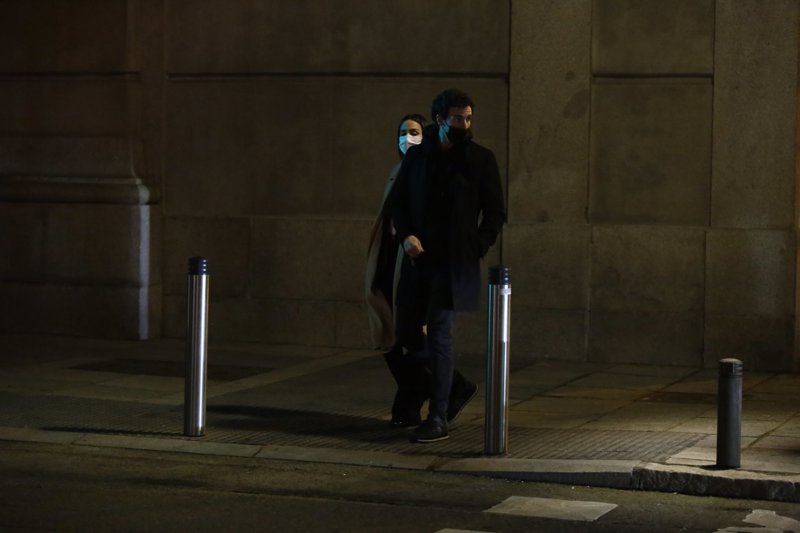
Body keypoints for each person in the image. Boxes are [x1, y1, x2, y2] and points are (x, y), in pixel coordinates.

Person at [389, 88, 506, 443]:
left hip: (455, 262)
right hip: (419, 259)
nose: (464, 125)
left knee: (440, 333)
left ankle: (437, 416)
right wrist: (406, 236)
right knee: (405, 333)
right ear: (440, 120)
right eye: (457, 118)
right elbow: (398, 203)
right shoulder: (418, 157)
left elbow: (495, 211)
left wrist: (477, 245)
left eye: (468, 118)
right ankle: (455, 385)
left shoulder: (480, 158)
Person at [365, 113, 429, 427]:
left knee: (410, 334)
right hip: (389, 256)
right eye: (403, 132)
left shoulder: (427, 171)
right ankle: (416, 393)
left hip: (412, 258)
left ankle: (413, 399)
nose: (408, 138)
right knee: (385, 330)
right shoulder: (396, 171)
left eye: (414, 132)